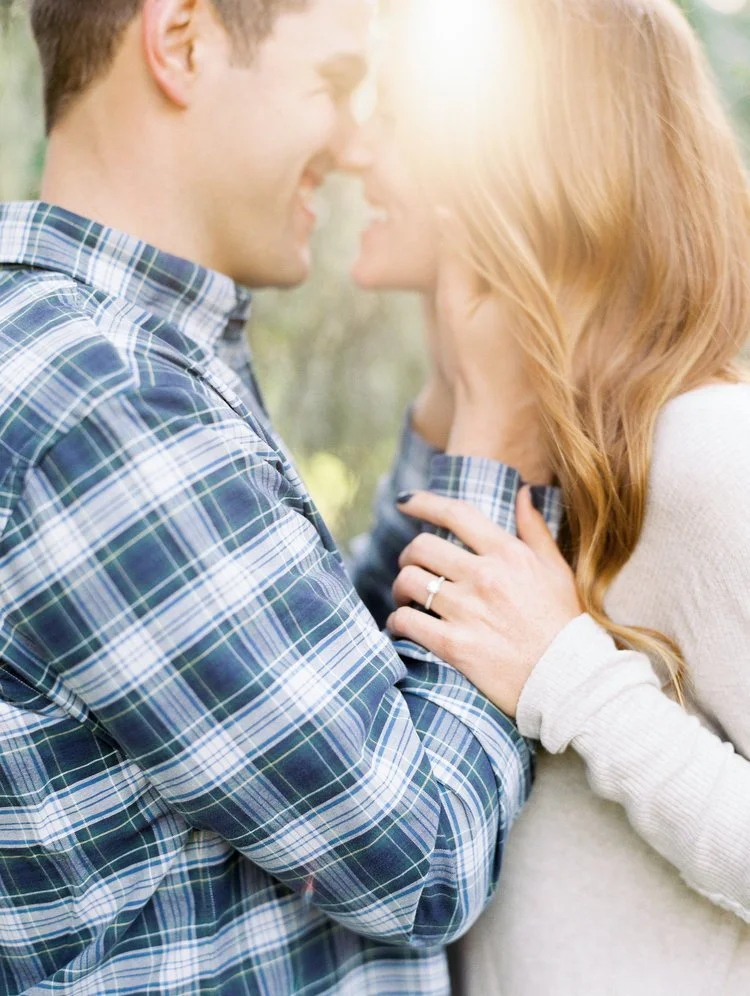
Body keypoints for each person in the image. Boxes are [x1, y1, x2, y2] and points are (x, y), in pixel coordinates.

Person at [0, 1, 561, 993]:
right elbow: (419, 854)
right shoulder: (104, 402)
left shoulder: (112, 356)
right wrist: (500, 452)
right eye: (334, 84)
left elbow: (313, 684)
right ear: (181, 42)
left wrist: (446, 414)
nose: (353, 149)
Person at [347, 0, 750, 993]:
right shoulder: (503, 452)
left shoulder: (701, 454)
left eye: (393, 113)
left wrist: (571, 680)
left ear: (506, 159)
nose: (354, 148)